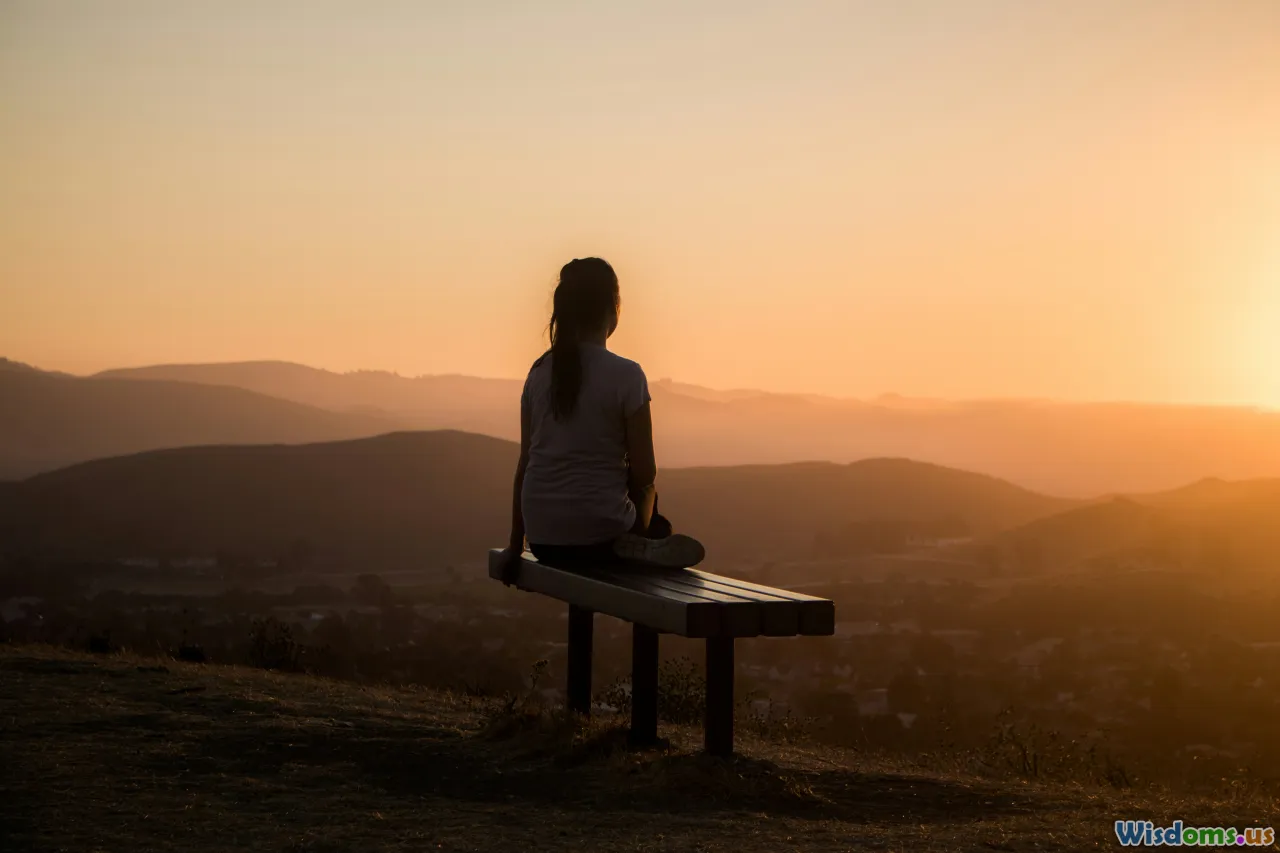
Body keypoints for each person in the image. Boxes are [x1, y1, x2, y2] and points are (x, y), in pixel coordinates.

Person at [500, 257, 705, 581]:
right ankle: (641, 541)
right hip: (601, 536)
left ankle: (640, 540)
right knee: (653, 503)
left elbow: (525, 465)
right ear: (613, 308)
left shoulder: (538, 374)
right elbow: (645, 472)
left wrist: (514, 546)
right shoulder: (627, 375)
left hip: (543, 540)